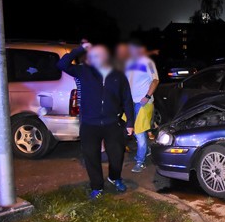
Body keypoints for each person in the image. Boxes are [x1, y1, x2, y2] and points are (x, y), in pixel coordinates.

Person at [58, 41, 135, 199]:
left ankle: (114, 177)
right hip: (89, 124)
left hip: (112, 123)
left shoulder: (118, 75)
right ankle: (97, 186)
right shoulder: (84, 72)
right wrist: (79, 49)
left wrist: (130, 123)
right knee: (91, 156)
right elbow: (62, 64)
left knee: (116, 155)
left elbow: (127, 99)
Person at [126, 40, 160, 172]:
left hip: (143, 103)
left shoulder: (148, 63)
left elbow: (156, 80)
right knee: (135, 130)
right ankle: (147, 149)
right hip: (130, 103)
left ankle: (140, 162)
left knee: (139, 132)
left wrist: (147, 96)